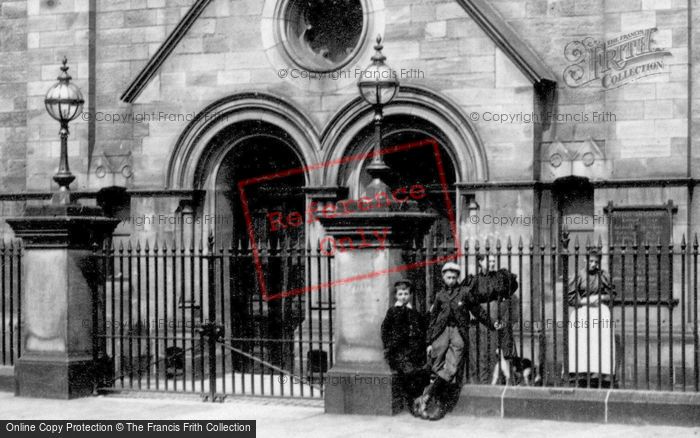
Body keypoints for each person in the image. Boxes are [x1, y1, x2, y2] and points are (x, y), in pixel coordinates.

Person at [418, 262, 501, 419]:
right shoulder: (439, 295)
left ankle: (433, 402)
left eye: (454, 277)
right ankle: (429, 400)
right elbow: (433, 319)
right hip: (440, 334)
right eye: (448, 277)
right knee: (437, 369)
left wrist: (491, 323)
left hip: (458, 333)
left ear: (457, 278)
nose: (451, 280)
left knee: (451, 369)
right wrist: (429, 341)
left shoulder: (465, 292)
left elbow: (478, 311)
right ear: (443, 277)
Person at [567, 249, 616, 387]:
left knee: (599, 343)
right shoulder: (579, 275)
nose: (594, 264)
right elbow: (570, 298)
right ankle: (582, 372)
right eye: (591, 261)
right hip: (583, 312)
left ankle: (599, 373)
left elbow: (613, 294)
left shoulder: (603, 275)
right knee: (584, 344)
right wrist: (586, 301)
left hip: (600, 311)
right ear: (585, 260)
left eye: (596, 262)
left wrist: (601, 297)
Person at [380, 279, 430, 413]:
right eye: (401, 294)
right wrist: (389, 346)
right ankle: (415, 402)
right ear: (396, 296)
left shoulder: (413, 312)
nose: (403, 297)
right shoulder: (392, 311)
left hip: (413, 352)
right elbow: (385, 329)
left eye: (406, 294)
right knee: (410, 372)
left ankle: (418, 401)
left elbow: (420, 329)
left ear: (410, 295)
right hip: (398, 352)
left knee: (421, 372)